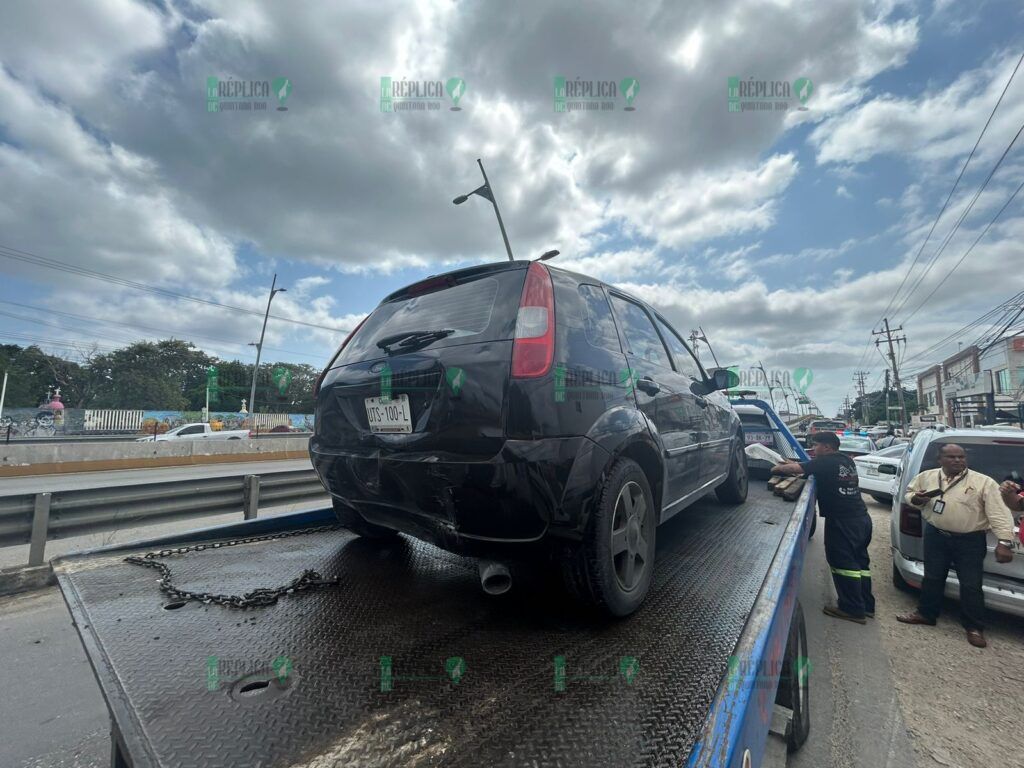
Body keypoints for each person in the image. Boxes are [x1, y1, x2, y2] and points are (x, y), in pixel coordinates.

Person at [896, 444, 1016, 648]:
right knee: (932, 577)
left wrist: (1004, 542)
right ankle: (926, 614)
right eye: (951, 457)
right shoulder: (928, 476)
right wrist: (916, 499)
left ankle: (974, 627)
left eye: (961, 457)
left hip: (969, 540)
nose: (957, 460)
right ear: (940, 459)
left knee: (970, 584)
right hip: (936, 535)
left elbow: (999, 513)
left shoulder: (983, 482)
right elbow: (910, 493)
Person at [773, 432, 875, 624]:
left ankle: (852, 609)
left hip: (843, 522)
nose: (813, 449)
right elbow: (807, 468)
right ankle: (866, 605)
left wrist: (776, 467)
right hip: (861, 518)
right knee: (860, 563)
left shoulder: (825, 463)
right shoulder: (845, 460)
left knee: (843, 563)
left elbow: (790, 469)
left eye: (816, 445)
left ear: (827, 447)